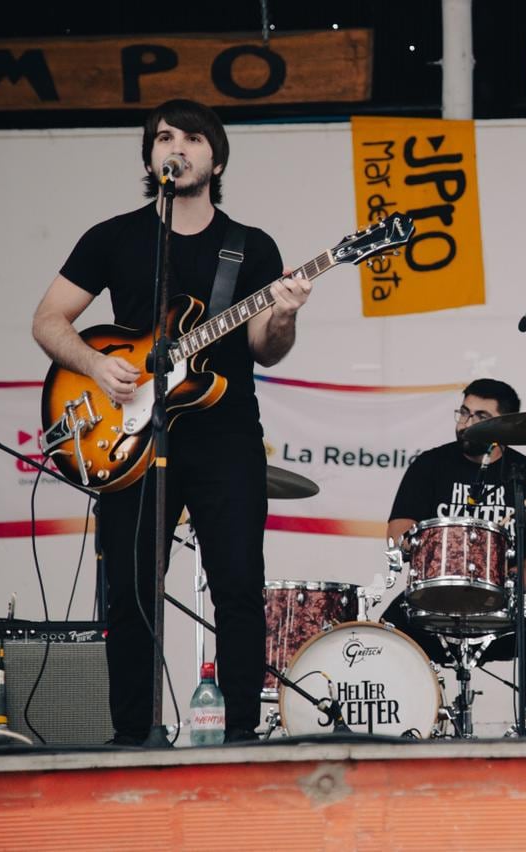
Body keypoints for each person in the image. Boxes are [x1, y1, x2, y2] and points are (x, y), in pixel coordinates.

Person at [32, 99, 312, 745]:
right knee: (129, 594)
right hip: (131, 438)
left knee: (239, 586)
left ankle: (239, 735)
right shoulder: (113, 237)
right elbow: (48, 321)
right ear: (149, 155)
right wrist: (96, 367)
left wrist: (288, 313)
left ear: (216, 158)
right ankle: (132, 737)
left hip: (226, 435)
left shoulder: (252, 248)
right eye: (163, 137)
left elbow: (265, 348)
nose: (175, 146)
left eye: (190, 137)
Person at [379, 379, 526, 732]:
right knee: (386, 637)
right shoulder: (430, 465)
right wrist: (408, 543)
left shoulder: (525, 474)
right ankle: (401, 728)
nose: (466, 422)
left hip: (503, 599)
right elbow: (399, 527)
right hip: (433, 595)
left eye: (481, 415)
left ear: (504, 425)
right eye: (464, 411)